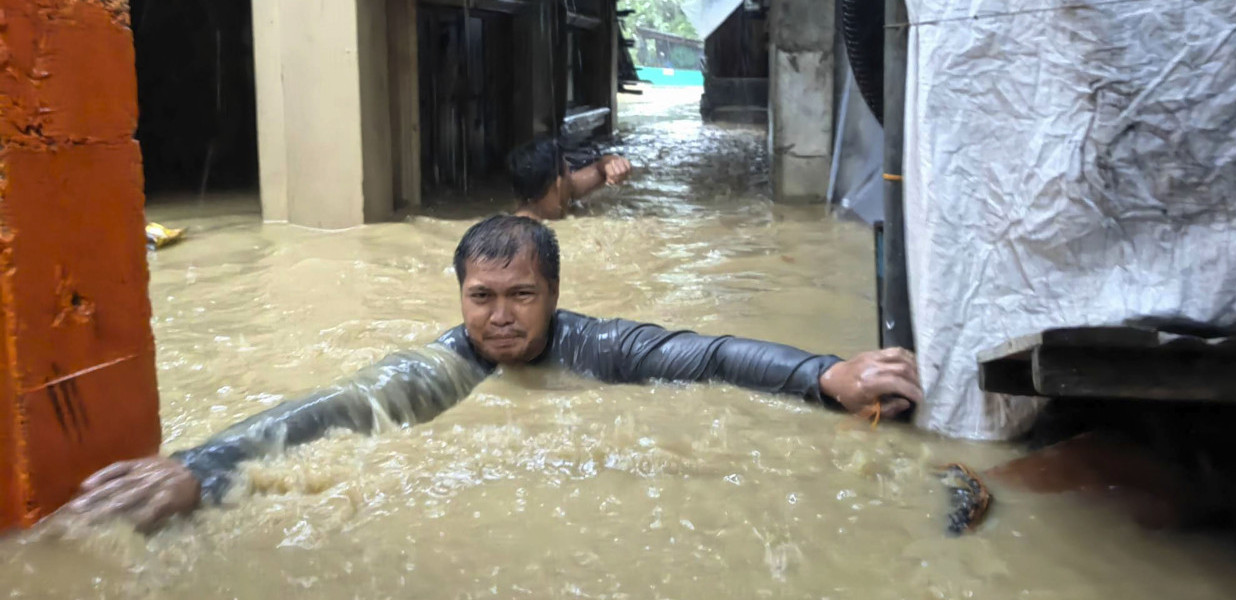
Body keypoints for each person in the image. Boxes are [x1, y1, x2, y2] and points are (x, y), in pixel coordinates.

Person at [64, 215, 923, 532]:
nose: (500, 317)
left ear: (554, 295)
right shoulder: (452, 363)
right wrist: (205, 468)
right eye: (482, 296)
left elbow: (708, 355)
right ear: (460, 296)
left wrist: (825, 375)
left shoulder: (597, 346)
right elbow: (349, 406)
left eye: (521, 296)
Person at [508, 136, 632, 220]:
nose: (572, 179)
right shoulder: (534, 235)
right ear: (558, 184)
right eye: (568, 172)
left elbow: (598, 169)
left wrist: (613, 164)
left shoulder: (546, 195)